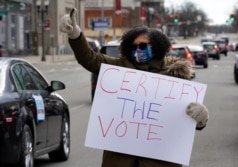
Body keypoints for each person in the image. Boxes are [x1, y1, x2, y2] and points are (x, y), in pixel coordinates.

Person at [59, 8, 209, 167]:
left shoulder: (175, 77)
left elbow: (185, 121)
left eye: (143, 45)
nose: (138, 49)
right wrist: (75, 35)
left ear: (157, 46)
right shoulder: (119, 69)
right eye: (133, 46)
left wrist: (201, 118)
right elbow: (89, 59)